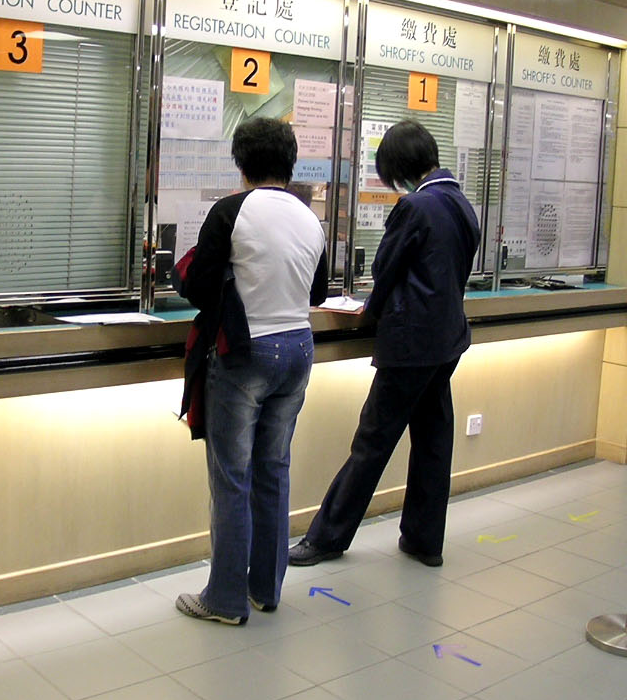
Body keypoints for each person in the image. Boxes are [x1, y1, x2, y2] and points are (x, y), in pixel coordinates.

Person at [290, 119, 479, 569]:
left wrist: (369, 309)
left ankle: (327, 537)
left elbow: (385, 268)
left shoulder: (415, 206)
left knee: (372, 442)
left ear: (399, 167)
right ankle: (424, 540)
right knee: (434, 442)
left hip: (411, 346)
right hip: (448, 340)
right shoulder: (462, 204)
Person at [174, 117, 329, 624]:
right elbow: (319, 294)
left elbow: (195, 286)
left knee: (232, 477)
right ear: (290, 163)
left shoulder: (231, 212)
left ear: (241, 165)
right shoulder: (310, 218)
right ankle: (265, 587)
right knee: (273, 471)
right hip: (299, 349)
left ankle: (223, 599)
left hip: (246, 355)